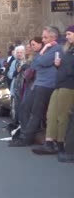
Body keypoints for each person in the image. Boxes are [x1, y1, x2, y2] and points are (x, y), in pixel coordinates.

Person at [9, 26, 63, 147]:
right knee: (25, 108)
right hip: (38, 83)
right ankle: (24, 135)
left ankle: (26, 139)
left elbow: (40, 62)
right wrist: (43, 51)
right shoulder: (47, 49)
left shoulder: (57, 49)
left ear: (54, 38)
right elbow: (35, 63)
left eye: (45, 37)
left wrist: (43, 51)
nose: (43, 40)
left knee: (36, 113)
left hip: (46, 84)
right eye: (43, 37)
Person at [32, 25, 74, 156]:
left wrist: (63, 68)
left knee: (62, 115)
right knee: (51, 114)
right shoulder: (67, 49)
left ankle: (61, 144)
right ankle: (49, 143)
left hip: (69, 84)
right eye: (66, 34)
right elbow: (35, 64)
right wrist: (58, 65)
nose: (66, 37)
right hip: (59, 83)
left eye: (69, 34)